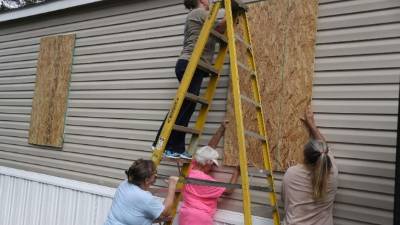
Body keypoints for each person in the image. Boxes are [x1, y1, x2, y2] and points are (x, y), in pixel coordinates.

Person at [152, 0, 226, 159]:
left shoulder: (200, 15)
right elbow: (220, 27)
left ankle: (170, 145)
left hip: (193, 65)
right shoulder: (199, 13)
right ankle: (168, 146)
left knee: (186, 106)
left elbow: (218, 30)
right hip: (190, 64)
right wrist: (230, 13)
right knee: (184, 106)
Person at [281, 106, 339, 225]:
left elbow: (284, 200)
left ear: (305, 157)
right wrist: (312, 125)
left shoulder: (291, 174)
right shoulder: (332, 173)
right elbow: (324, 148)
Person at [178, 121, 240, 225]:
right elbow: (229, 190)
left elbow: (208, 149)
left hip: (186, 215)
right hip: (200, 219)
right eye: (212, 164)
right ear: (207, 163)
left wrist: (221, 128)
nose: (212, 168)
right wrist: (237, 172)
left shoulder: (189, 168)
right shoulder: (206, 181)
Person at [103, 159, 178, 225]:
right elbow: (165, 212)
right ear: (146, 180)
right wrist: (172, 185)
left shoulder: (125, 183)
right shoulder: (144, 197)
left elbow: (136, 212)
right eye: (154, 173)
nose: (156, 175)